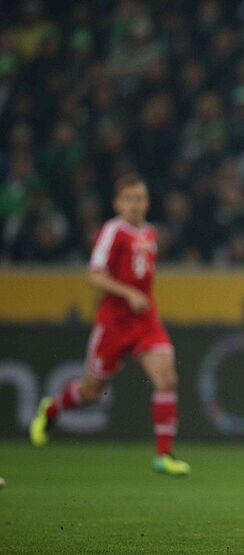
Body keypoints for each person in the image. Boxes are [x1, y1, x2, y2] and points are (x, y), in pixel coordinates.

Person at [29, 173, 189, 476]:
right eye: (128, 199)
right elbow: (94, 274)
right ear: (117, 203)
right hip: (114, 323)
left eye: (139, 198)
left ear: (147, 202)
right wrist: (129, 293)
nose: (134, 205)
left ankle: (164, 455)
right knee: (91, 391)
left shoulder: (150, 233)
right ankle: (51, 409)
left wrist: (138, 297)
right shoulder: (113, 231)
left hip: (145, 320)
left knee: (166, 379)